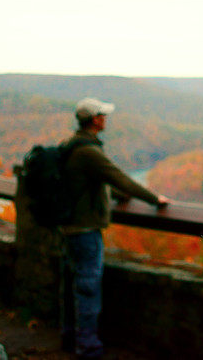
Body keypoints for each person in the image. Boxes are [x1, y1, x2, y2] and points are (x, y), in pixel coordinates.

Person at [60, 97, 169, 360]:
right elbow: (117, 176)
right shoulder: (88, 151)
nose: (106, 119)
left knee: (71, 285)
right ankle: (87, 346)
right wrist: (156, 200)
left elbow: (98, 180)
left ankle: (69, 337)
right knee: (87, 286)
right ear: (95, 119)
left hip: (68, 228)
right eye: (103, 115)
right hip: (85, 230)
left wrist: (119, 196)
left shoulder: (70, 145)